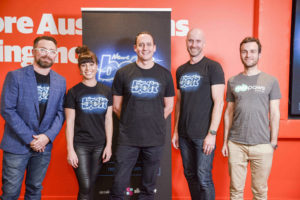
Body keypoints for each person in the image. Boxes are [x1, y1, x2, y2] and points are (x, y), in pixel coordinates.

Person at [109, 31, 175, 200]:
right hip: (127, 139)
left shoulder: (165, 74)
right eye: (141, 44)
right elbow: (117, 107)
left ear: (154, 48)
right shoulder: (123, 73)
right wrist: (130, 122)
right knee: (118, 186)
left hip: (154, 139)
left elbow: (169, 106)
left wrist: (153, 121)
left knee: (148, 188)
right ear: (135, 48)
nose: (144, 48)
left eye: (148, 44)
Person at [0, 36, 66, 200]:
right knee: (10, 192)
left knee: (35, 190)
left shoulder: (60, 81)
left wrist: (46, 137)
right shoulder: (15, 76)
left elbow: (60, 113)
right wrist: (31, 139)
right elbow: (7, 109)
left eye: (52, 51)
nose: (47, 54)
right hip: (17, 145)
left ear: (56, 55)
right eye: (43, 50)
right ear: (33, 52)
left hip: (44, 147)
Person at [221, 37, 281, 199]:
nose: (248, 55)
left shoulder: (271, 81)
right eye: (244, 51)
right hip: (236, 144)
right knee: (235, 191)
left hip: (262, 145)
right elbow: (229, 112)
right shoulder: (232, 81)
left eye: (253, 51)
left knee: (260, 191)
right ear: (240, 54)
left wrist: (273, 142)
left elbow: (275, 112)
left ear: (259, 55)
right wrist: (226, 141)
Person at [172, 28, 225, 200]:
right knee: (190, 176)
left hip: (203, 135)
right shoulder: (180, 70)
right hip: (185, 134)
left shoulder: (213, 67)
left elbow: (219, 102)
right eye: (190, 41)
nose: (193, 45)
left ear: (204, 44)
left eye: (197, 41)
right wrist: (176, 131)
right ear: (186, 42)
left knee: (204, 179)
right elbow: (179, 102)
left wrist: (212, 134)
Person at [64, 45, 113, 200]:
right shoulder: (73, 92)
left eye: (91, 64)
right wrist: (70, 149)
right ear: (79, 68)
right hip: (80, 145)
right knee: (85, 185)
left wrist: (109, 146)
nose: (88, 68)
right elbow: (70, 122)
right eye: (83, 65)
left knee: (91, 185)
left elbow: (108, 119)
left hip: (100, 145)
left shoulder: (106, 91)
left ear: (97, 66)